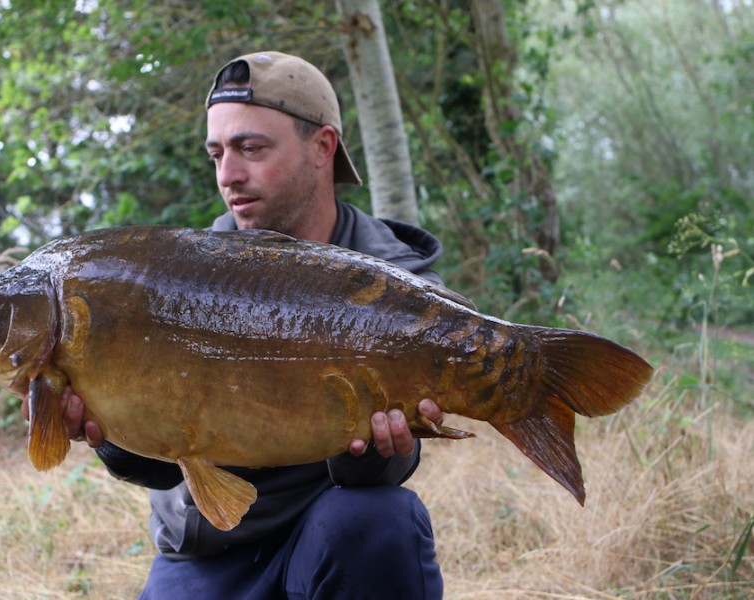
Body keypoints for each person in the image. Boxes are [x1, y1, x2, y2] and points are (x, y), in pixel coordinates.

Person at [29, 51, 472, 599]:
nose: (227, 175)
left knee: (376, 518)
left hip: (331, 534)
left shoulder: (395, 289)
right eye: (216, 152)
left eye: (250, 149)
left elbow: (375, 480)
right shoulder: (180, 273)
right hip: (210, 548)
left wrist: (380, 448)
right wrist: (106, 429)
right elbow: (164, 469)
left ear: (322, 148)